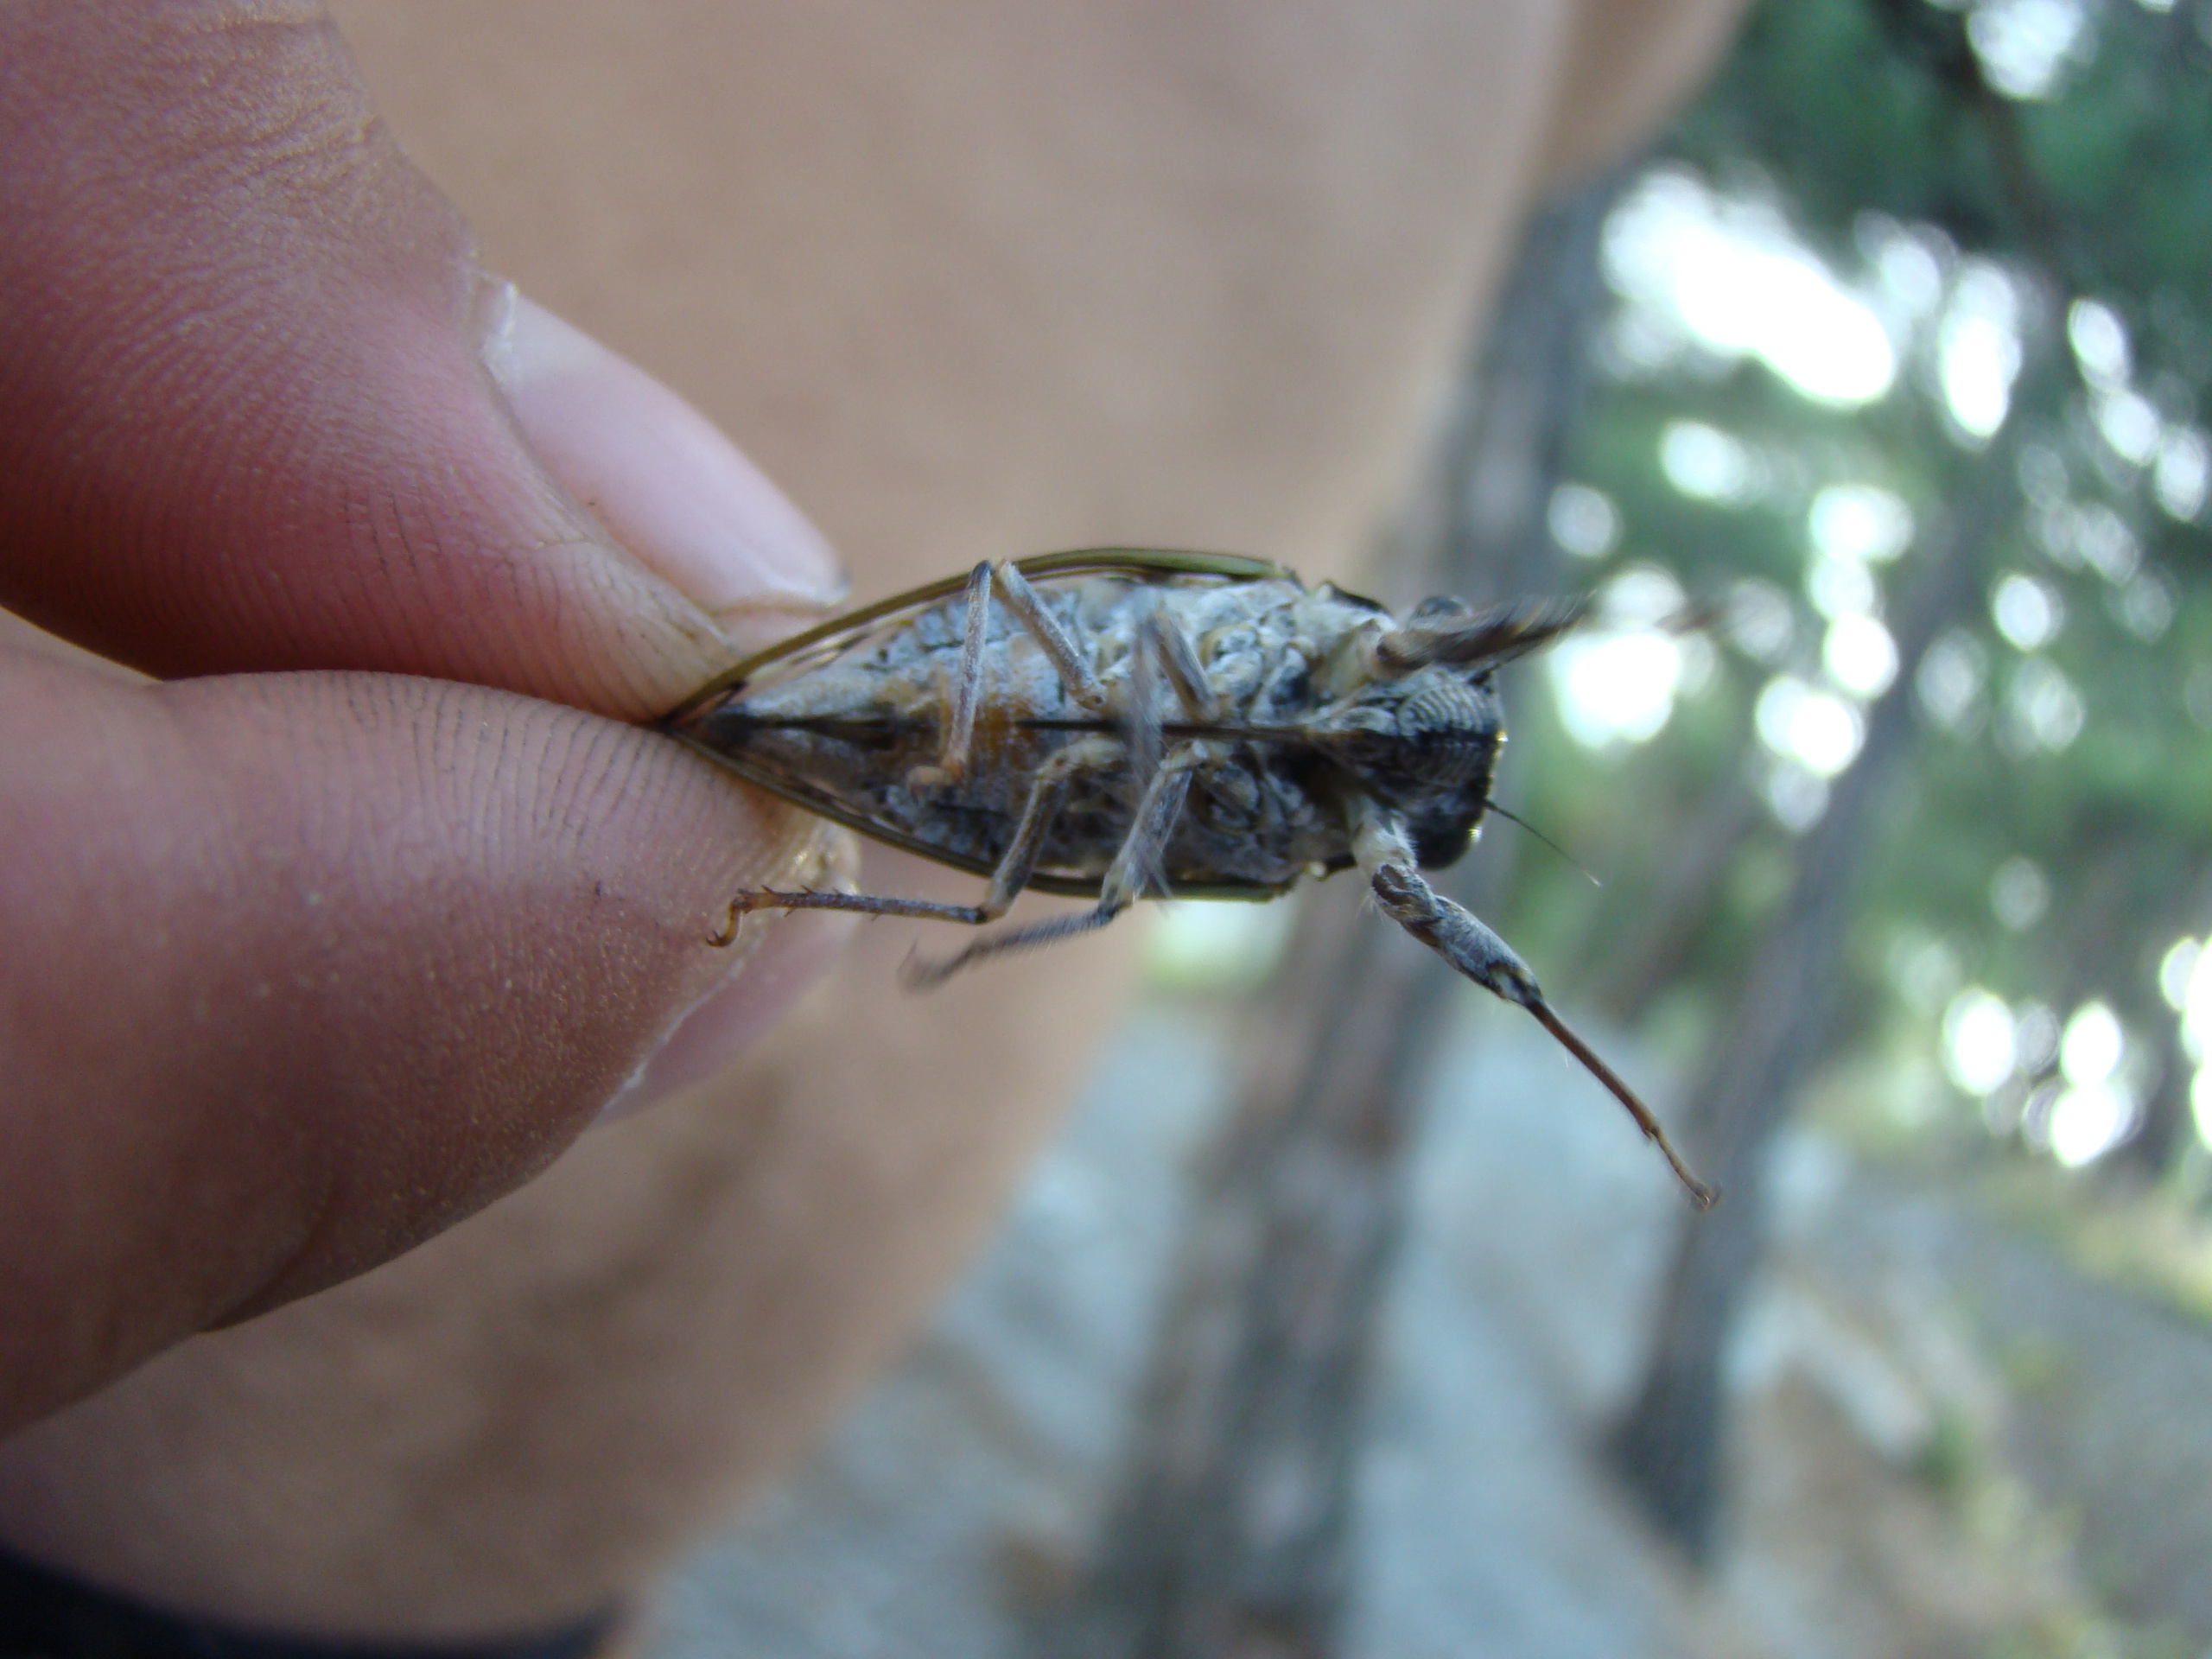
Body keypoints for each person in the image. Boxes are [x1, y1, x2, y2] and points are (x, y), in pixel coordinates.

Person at [0, 1, 1745, 1648]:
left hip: (534, 1560)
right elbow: (1182, 620)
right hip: (984, 655)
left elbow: (1109, 885)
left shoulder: (1330, 842)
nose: (1417, 742)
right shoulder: (1344, 638)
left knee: (1021, 895)